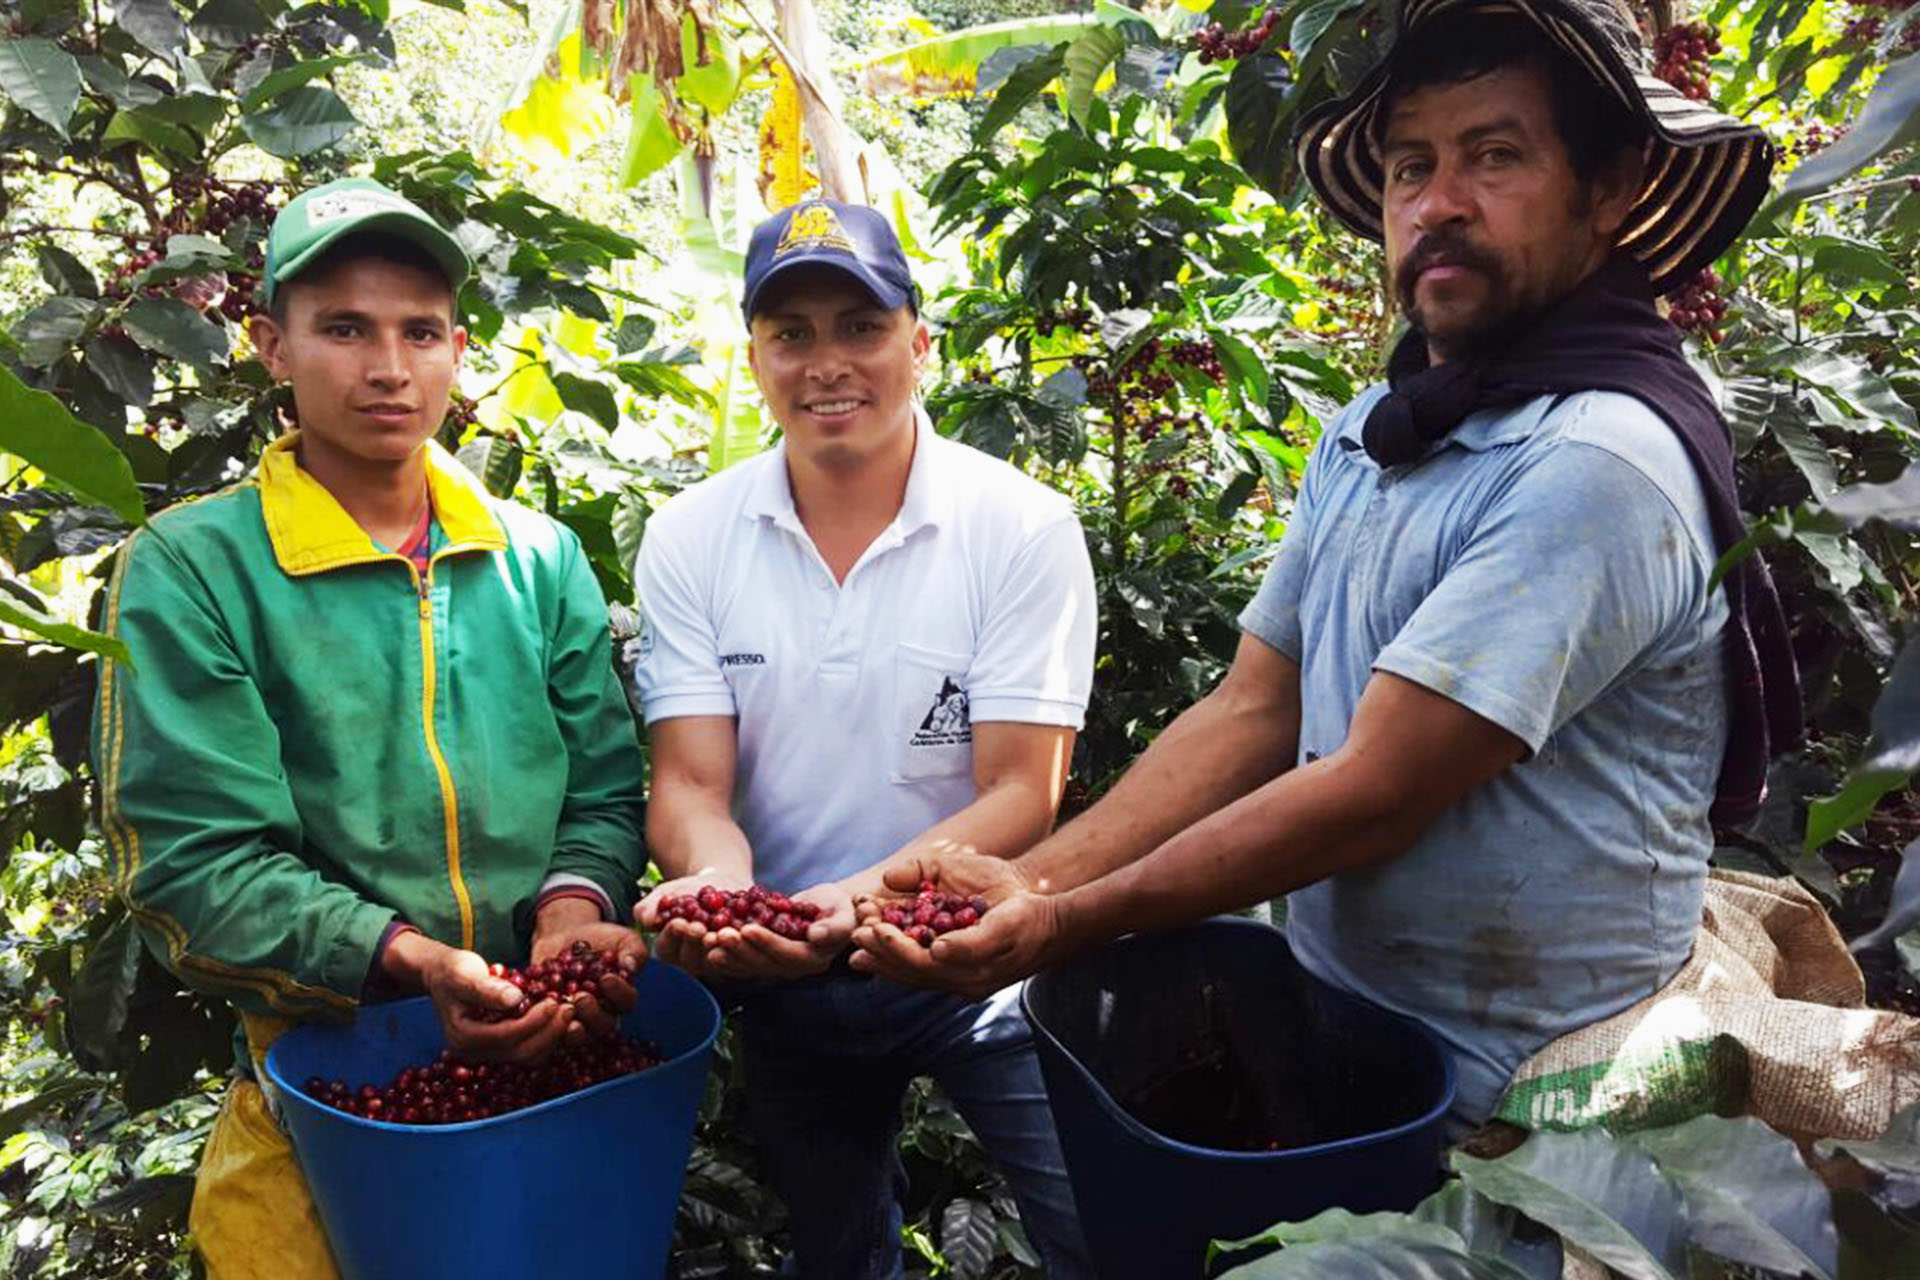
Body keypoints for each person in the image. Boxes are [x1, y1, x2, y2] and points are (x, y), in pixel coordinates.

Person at [852, 0, 1800, 1135]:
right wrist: (1037, 878)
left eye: (1495, 156)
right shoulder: (1376, 430)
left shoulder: (1598, 457)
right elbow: (1257, 707)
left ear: (1609, 190)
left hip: (1534, 1092)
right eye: (1413, 167)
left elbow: (1372, 794)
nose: (1439, 204)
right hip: (1361, 1037)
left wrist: (1065, 922)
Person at [92, 177, 649, 1278]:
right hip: (327, 1081)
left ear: (456, 349)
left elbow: (602, 786)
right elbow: (192, 861)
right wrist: (409, 959)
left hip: (554, 1067)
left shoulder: (537, 558)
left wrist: (574, 909)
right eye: (344, 328)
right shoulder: (196, 568)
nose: (389, 368)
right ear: (272, 344)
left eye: (420, 331)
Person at [627, 198, 1096, 1277]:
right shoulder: (692, 537)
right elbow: (693, 782)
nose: (826, 361)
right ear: (754, 356)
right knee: (838, 1248)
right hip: (784, 967)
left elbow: (1023, 791)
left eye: (860, 325)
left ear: (918, 343)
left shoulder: (1018, 527)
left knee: (1094, 1225)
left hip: (975, 960)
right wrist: (717, 883)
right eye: (792, 333)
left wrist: (848, 902)